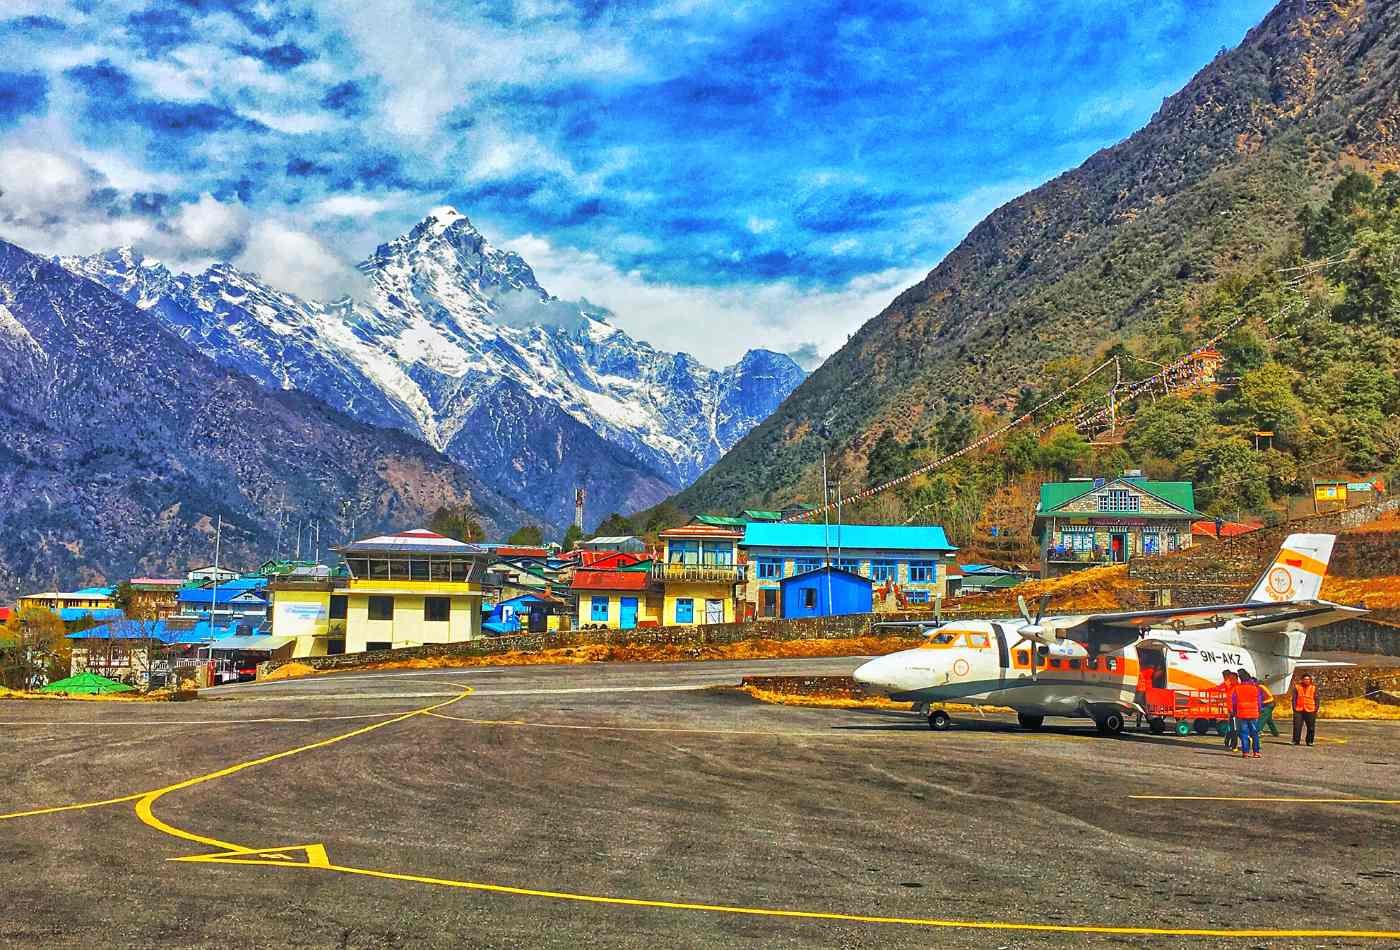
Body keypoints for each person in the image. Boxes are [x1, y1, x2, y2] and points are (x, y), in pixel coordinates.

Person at [1231, 673, 1264, 759]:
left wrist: (1235, 712)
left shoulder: (1237, 689)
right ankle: (1256, 752)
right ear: (1249, 679)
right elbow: (1259, 702)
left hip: (1241, 714)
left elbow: (1234, 702)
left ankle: (1245, 752)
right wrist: (1259, 711)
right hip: (1253, 714)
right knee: (1255, 733)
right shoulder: (1256, 689)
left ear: (1240, 679)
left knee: (1244, 733)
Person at [1292, 673, 1318, 746]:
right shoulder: (1297, 687)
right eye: (1305, 679)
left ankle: (1309, 741)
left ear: (1310, 680)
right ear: (1302, 680)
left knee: (1311, 727)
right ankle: (1295, 741)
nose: (1306, 681)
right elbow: (1294, 698)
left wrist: (1316, 709)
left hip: (1310, 709)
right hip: (1299, 710)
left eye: (1308, 679)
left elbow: (1317, 699)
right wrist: (1294, 708)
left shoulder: (1313, 688)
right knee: (1297, 726)